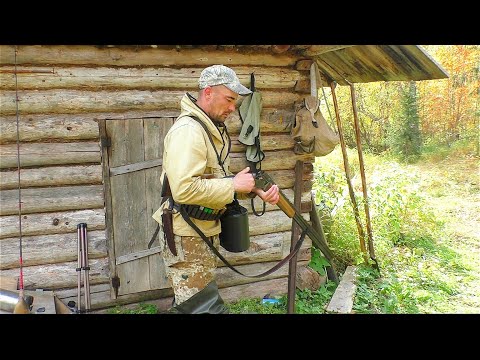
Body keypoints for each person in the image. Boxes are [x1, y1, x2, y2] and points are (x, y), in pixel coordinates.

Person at [152, 65, 280, 314]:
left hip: (201, 233)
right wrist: (233, 185)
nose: (233, 108)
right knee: (202, 308)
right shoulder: (189, 131)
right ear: (208, 92)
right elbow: (184, 190)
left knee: (191, 305)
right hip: (187, 236)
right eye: (229, 99)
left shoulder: (208, 128)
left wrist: (251, 190)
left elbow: (212, 180)